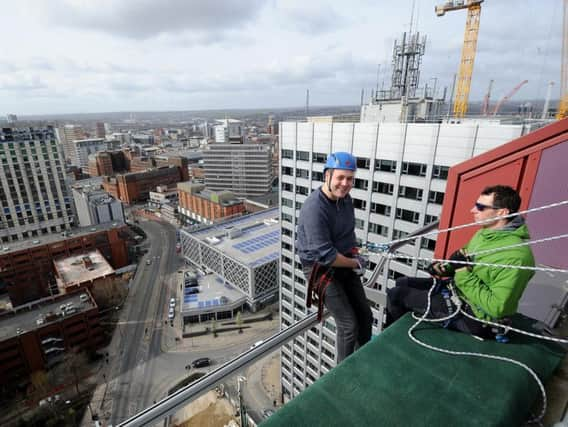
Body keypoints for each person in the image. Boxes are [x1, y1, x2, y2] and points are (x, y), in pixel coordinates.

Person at [386, 185, 535, 337]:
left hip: (476, 317)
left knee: (397, 295)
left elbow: (498, 307)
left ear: (502, 212)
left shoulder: (517, 257)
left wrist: (461, 271)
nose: (473, 210)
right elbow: (463, 261)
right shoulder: (485, 234)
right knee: (402, 282)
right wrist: (444, 268)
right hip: (458, 291)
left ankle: (393, 340)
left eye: (480, 207)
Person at [296, 151, 373, 362]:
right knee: (349, 325)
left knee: (366, 316)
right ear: (327, 176)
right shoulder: (314, 208)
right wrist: (355, 262)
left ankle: (362, 359)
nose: (345, 183)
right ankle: (344, 373)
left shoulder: (345, 200)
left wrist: (356, 254)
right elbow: (327, 256)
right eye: (340, 177)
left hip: (344, 259)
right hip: (318, 268)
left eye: (350, 179)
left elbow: (348, 234)